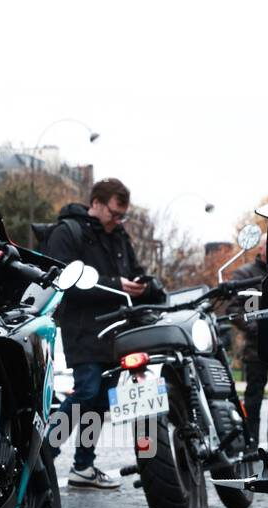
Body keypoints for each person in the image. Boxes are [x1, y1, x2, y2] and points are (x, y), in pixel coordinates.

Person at [42, 178, 161, 489]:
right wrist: (116, 284)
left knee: (99, 400)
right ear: (95, 203)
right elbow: (64, 282)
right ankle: (42, 454)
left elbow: (133, 271)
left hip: (116, 330)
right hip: (82, 328)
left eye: (123, 215)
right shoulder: (68, 232)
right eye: (114, 213)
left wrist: (144, 284)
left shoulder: (119, 235)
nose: (118, 220)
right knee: (85, 392)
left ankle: (83, 465)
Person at [227, 241, 268, 458]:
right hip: (255, 350)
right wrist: (253, 327)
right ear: (261, 249)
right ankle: (250, 444)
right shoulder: (243, 274)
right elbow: (233, 309)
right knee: (253, 398)